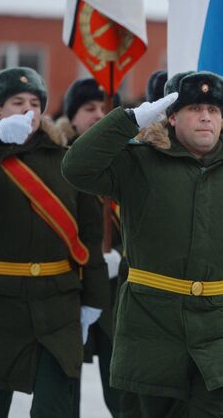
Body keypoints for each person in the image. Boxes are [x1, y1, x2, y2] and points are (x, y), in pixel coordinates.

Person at [61, 70, 223, 417]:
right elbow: (76, 167)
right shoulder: (138, 163)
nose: (206, 116)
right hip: (152, 329)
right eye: (194, 108)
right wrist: (128, 120)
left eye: (213, 109)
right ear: (173, 116)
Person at [0, 66, 110, 418]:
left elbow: (89, 235)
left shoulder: (67, 159)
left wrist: (95, 299)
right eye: (16, 102)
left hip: (57, 305)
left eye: (35, 102)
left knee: (54, 408)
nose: (28, 109)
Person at [57, 77, 139, 418]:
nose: (99, 114)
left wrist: (118, 252)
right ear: (72, 117)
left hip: (115, 289)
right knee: (64, 388)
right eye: (89, 108)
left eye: (106, 108)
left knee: (119, 389)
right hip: (68, 285)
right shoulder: (60, 159)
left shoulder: (130, 159)